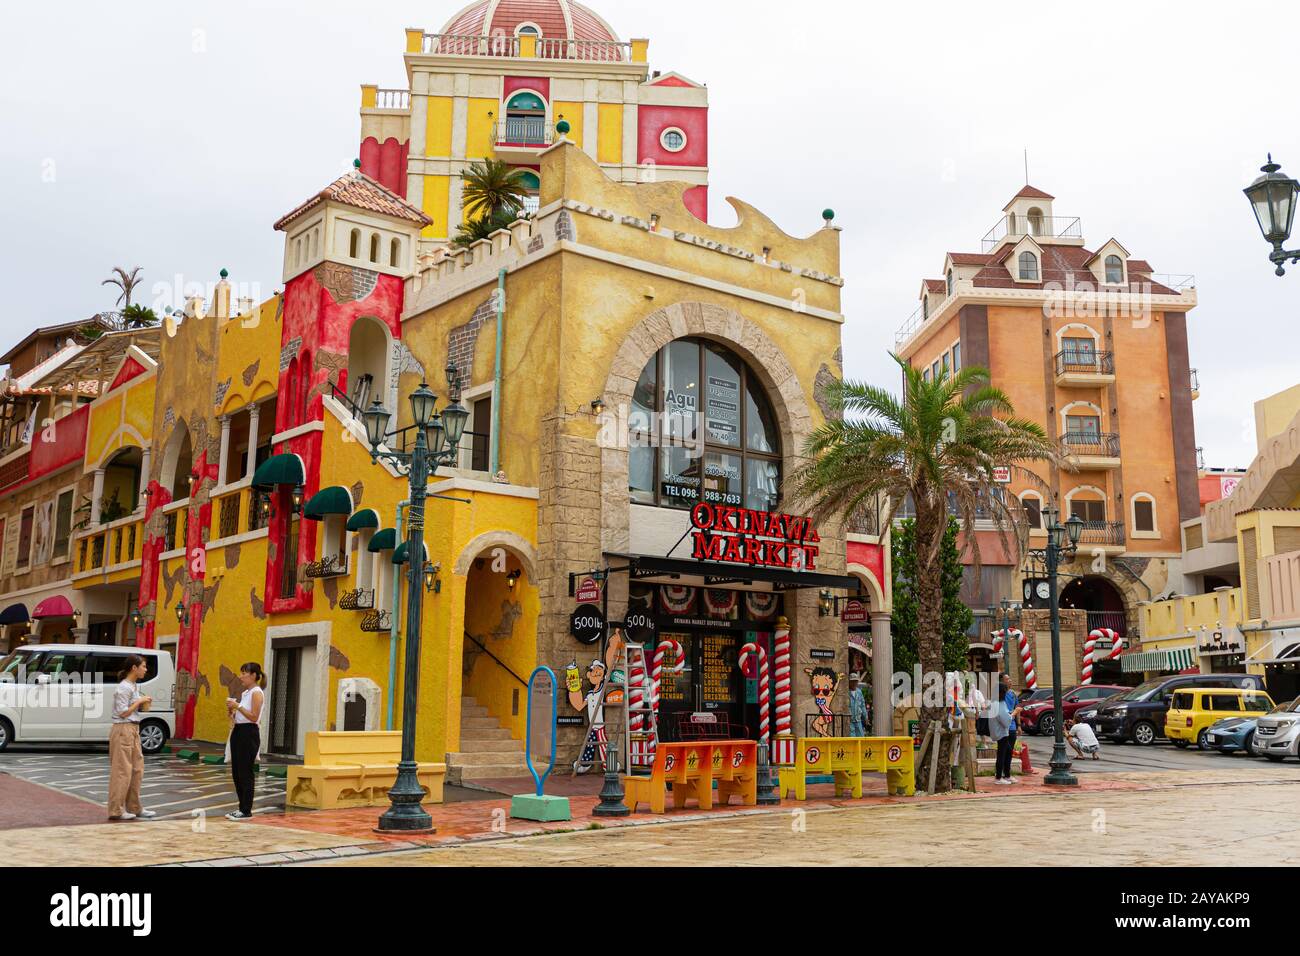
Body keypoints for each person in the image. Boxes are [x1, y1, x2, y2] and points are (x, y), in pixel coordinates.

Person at [108, 655, 157, 821]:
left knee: (137, 769)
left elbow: (134, 710)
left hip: (133, 729)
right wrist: (140, 701)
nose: (145, 669)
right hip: (123, 729)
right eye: (143, 666)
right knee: (122, 771)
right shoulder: (123, 688)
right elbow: (123, 712)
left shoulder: (133, 686)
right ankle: (116, 809)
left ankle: (134, 807)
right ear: (134, 668)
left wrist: (143, 703)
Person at [225, 662, 265, 820]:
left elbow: (254, 716)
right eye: (241, 673)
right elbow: (242, 715)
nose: (241, 676)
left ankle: (246, 809)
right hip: (239, 730)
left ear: (254, 675)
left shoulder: (256, 692)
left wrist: (238, 706)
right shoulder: (246, 692)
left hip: (249, 732)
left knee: (245, 771)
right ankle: (241, 807)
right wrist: (232, 711)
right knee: (236, 771)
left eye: (244, 673)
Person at [990, 673, 1021, 785]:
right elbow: (1006, 720)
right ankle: (999, 777)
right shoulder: (1001, 703)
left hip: (1000, 731)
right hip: (1003, 732)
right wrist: (1015, 712)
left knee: (1007, 751)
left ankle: (1004, 775)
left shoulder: (994, 702)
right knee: (1002, 753)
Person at [847, 673, 869, 737]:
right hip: (850, 720)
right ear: (849, 682)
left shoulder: (859, 692)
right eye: (852, 681)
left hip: (858, 719)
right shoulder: (846, 692)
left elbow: (862, 705)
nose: (854, 683)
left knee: (861, 736)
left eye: (855, 681)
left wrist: (866, 717)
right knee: (852, 737)